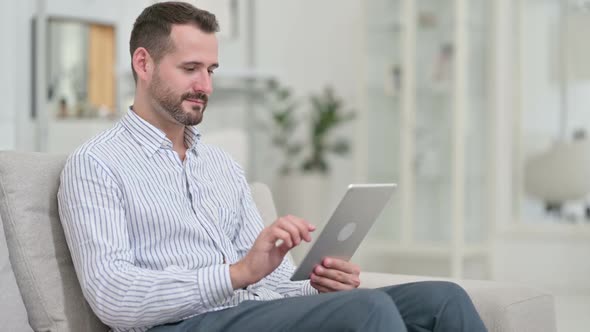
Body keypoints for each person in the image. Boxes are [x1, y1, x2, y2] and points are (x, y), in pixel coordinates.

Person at [57, 2, 487, 332]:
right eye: (190, 69)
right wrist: (236, 274)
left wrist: (314, 285)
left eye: (211, 70)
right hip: (180, 325)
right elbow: (113, 296)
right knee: (368, 311)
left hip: (250, 311)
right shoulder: (97, 165)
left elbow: (273, 281)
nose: (205, 86)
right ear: (143, 63)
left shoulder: (220, 165)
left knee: (443, 299)